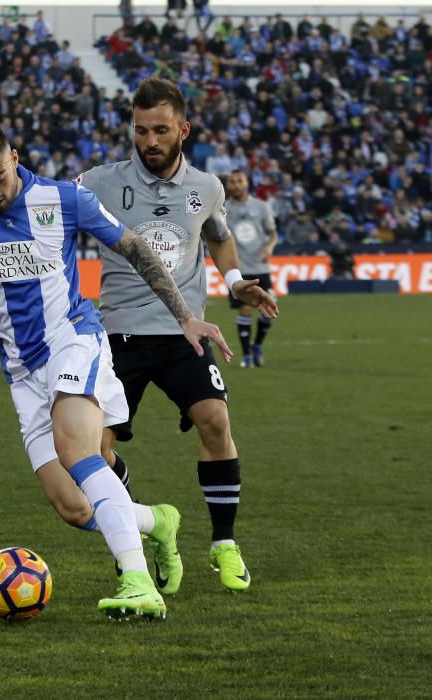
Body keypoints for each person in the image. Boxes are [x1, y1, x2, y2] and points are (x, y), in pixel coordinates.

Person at [0, 120, 233, 618]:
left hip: (73, 340)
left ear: (14, 157)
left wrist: (185, 316)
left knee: (75, 449)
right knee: (74, 507)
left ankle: (139, 582)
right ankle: (157, 522)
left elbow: (136, 248)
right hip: (21, 370)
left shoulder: (64, 199)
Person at [78, 77, 278, 592]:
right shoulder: (97, 183)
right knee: (93, 453)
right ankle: (148, 525)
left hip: (183, 333)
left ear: (183, 130)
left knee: (215, 420)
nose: (149, 141)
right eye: (141, 130)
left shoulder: (207, 188)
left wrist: (236, 283)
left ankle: (224, 546)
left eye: (160, 130)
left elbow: (220, 239)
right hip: (117, 335)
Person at [225, 170, 278, 368]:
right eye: (232, 181)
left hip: (261, 267)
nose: (236, 185)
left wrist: (269, 247)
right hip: (238, 268)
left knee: (269, 310)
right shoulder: (223, 209)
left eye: (240, 181)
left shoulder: (262, 207)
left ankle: (257, 345)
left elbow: (272, 234)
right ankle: (247, 355)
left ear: (247, 183)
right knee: (245, 309)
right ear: (228, 185)